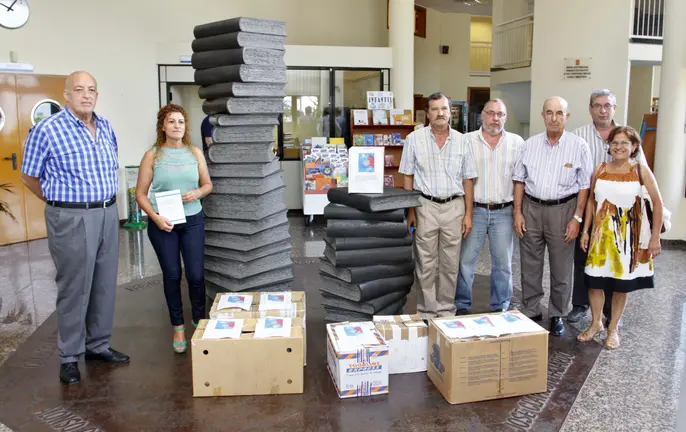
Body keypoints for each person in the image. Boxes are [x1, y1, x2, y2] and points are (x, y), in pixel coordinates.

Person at [20, 71, 129, 385]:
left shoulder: (105, 126)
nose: (86, 95)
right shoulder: (47, 130)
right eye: (79, 89)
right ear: (66, 94)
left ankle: (98, 345)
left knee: (105, 283)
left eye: (92, 89)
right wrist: (59, 203)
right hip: (71, 216)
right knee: (74, 288)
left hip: (108, 213)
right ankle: (69, 356)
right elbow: (29, 176)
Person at [512, 96, 593, 337]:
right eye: (549, 112)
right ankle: (531, 307)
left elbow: (584, 187)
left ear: (567, 117)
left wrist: (577, 218)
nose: (554, 118)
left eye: (559, 113)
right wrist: (517, 212)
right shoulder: (529, 145)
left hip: (563, 210)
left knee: (561, 266)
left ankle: (557, 313)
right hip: (531, 208)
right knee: (530, 263)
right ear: (543, 115)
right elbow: (519, 179)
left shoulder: (578, 146)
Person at [136, 104, 213, 354]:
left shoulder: (195, 153)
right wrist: (155, 218)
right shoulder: (152, 155)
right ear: (163, 126)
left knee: (196, 275)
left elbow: (208, 184)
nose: (177, 125)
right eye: (171, 121)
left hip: (192, 221)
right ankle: (178, 325)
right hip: (163, 224)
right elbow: (140, 194)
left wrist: (198, 193)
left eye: (180, 121)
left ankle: (199, 320)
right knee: (171, 275)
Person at [578, 125, 662, 349]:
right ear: (609, 146)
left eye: (624, 142)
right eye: (614, 142)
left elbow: (658, 202)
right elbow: (592, 202)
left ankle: (613, 328)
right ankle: (596, 324)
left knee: (621, 286)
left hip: (629, 239)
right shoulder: (600, 168)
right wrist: (585, 230)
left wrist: (655, 238)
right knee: (594, 282)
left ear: (634, 146)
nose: (619, 146)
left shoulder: (640, 170)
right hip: (600, 237)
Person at [569, 89, 646, 325]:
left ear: (614, 108)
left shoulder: (625, 134)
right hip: (590, 205)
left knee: (617, 261)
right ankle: (581, 304)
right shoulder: (578, 135)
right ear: (590, 108)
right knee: (584, 257)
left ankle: (611, 312)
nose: (603, 110)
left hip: (622, 213)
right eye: (598, 105)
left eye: (607, 105)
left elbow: (642, 172)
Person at [399, 92, 477, 319]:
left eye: (444, 108)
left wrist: (468, 214)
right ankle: (426, 312)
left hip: (455, 207)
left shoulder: (463, 141)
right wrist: (411, 210)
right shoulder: (415, 139)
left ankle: (445, 311)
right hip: (425, 206)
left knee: (450, 264)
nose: (440, 113)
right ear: (427, 114)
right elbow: (408, 176)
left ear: (450, 112)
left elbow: (468, 180)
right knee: (425, 263)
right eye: (435, 109)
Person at [455, 99, 524, 314]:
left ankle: (500, 305)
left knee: (503, 263)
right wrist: (466, 213)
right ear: (482, 115)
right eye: (491, 113)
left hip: (503, 210)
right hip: (473, 210)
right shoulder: (466, 141)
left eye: (500, 114)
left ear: (505, 117)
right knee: (466, 261)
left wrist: (517, 212)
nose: (496, 119)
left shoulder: (517, 143)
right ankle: (462, 305)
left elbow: (519, 180)